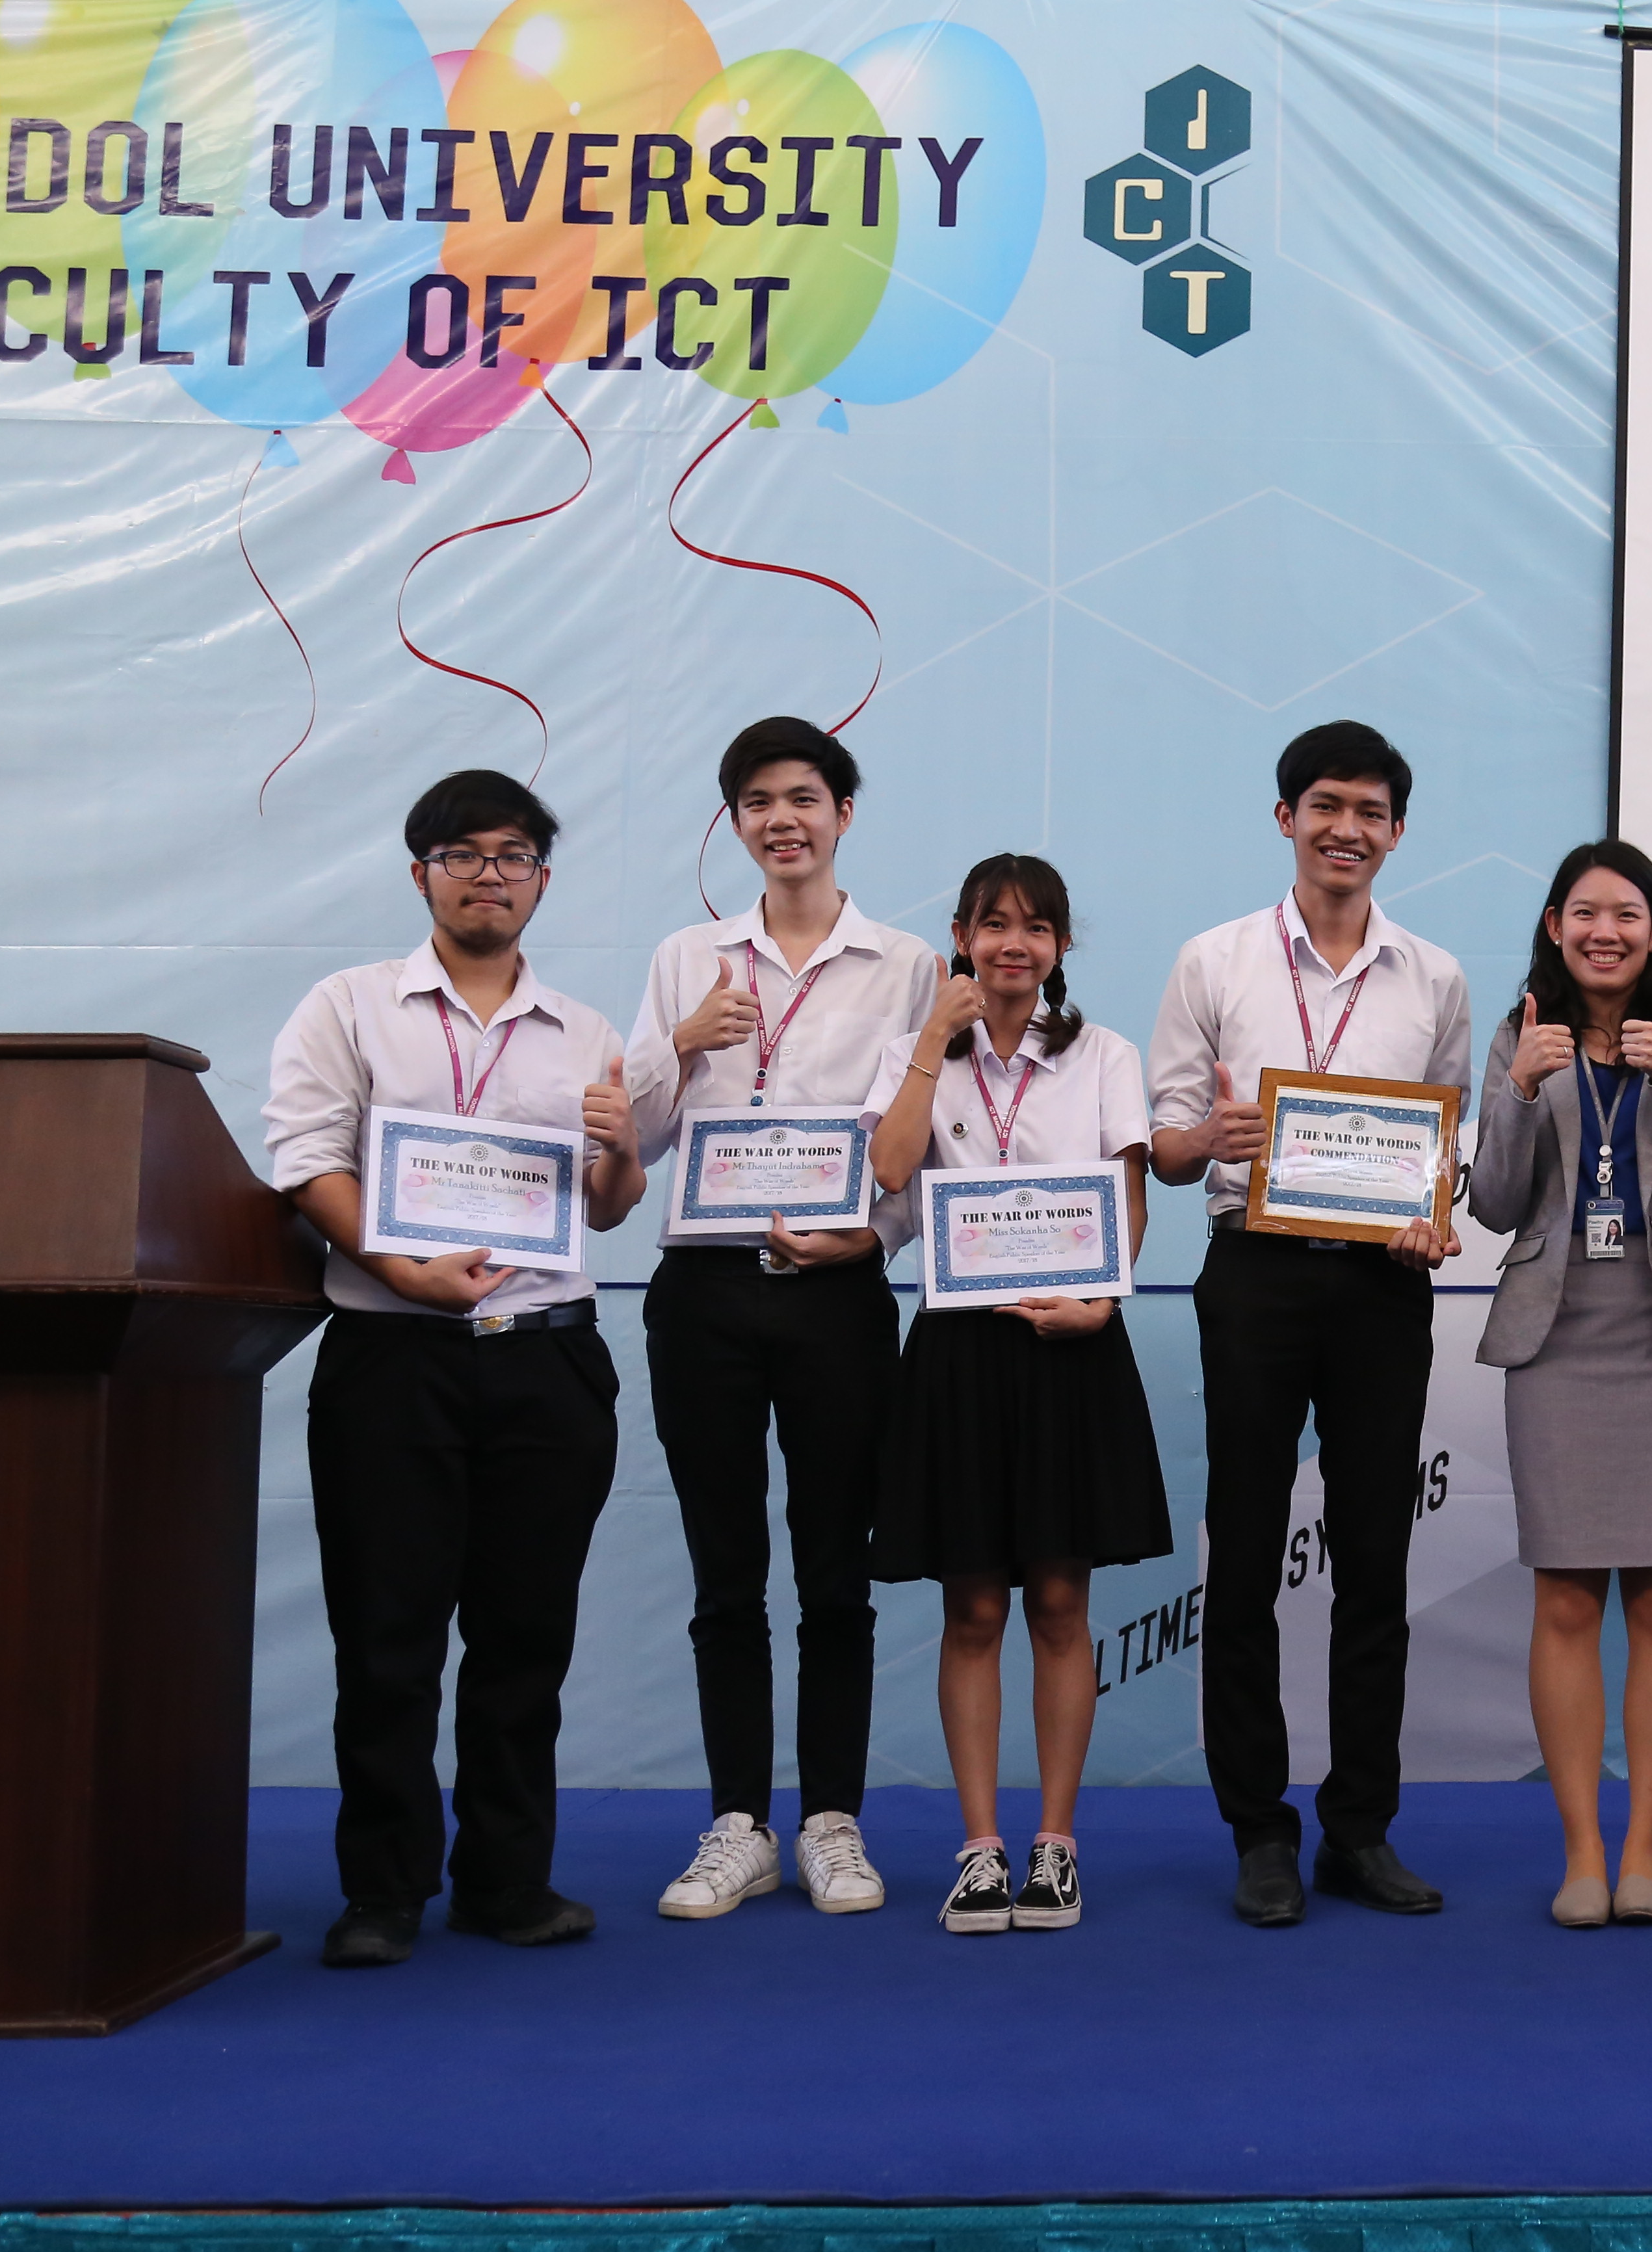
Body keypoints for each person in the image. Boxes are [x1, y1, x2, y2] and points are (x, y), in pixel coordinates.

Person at [263, 770, 646, 1968]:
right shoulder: (349, 1007)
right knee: (388, 1637)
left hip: (547, 1359)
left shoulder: (586, 1032)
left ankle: (505, 1882)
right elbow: (307, 1160)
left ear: (543, 878)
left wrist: (622, 1150)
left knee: (525, 1640)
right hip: (394, 1357)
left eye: (515, 855)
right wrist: (402, 1270)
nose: (492, 875)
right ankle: (382, 1890)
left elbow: (608, 1207)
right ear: (420, 872)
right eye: (465, 854)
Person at [1146, 720, 1474, 1926]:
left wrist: (1433, 1214)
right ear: (1286, 818)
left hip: (1383, 1286)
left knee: (1375, 1561)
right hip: (1255, 1275)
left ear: (1397, 832)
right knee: (1243, 1553)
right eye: (1326, 805)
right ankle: (1258, 1832)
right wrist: (1209, 1139)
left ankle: (1360, 1829)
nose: (1347, 829)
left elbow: (1446, 1140)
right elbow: (1167, 1146)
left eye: (1370, 811)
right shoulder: (1215, 960)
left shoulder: (1434, 976)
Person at [626, 716, 936, 1922]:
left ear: (843, 813)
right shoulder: (687, 958)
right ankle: (738, 1824)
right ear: (736, 823)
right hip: (704, 1292)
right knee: (725, 1569)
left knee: (834, 1571)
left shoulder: (904, 964)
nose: (782, 820)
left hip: (837, 1295)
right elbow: (636, 1138)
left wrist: (878, 1237)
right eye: (757, 802)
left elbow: (919, 1144)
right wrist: (678, 1045)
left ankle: (832, 1822)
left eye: (803, 796)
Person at [863, 855, 1169, 1935]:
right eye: (993, 925)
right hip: (958, 1353)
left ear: (1061, 947)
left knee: (1059, 1604)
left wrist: (1103, 1302)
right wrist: (926, 1046)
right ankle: (982, 1848)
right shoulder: (918, 1055)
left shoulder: (1104, 1055)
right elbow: (890, 1172)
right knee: (974, 1610)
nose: (1013, 944)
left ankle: (1056, 1844)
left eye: (1036, 928)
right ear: (960, 937)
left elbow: (1128, 1205)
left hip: (1070, 1348)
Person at [1469, 841, 1652, 1929]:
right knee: (1568, 1597)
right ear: (1554, 927)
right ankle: (1582, 1849)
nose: (1605, 932)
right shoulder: (1519, 1037)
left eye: (1627, 914)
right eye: (1584, 913)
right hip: (1558, 1335)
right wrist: (1521, 1091)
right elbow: (1495, 1204)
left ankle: (1644, 1852)